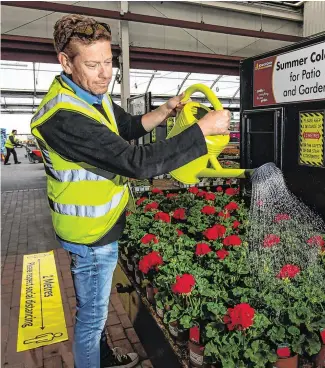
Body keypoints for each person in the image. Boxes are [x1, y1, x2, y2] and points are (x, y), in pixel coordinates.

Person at [30, 14, 231, 368]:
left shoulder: (91, 96)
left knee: (94, 308)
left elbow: (127, 126)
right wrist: (201, 131)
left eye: (109, 62)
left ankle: (103, 356)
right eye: (93, 64)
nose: (106, 73)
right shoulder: (65, 117)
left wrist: (166, 111)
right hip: (91, 236)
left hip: (100, 226)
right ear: (65, 61)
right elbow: (137, 162)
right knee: (90, 319)